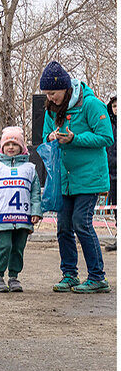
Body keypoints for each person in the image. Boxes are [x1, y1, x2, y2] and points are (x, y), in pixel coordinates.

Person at [40, 61, 113, 294]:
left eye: (53, 93)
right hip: (64, 179)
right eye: (47, 94)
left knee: (81, 223)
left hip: (89, 178)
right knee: (63, 227)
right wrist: (51, 136)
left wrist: (74, 139)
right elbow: (43, 138)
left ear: (66, 88)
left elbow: (106, 138)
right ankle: (69, 274)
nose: (50, 98)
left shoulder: (92, 104)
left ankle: (97, 277)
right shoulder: (51, 109)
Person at [0, 127, 42, 293]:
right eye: (7, 144)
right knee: (5, 246)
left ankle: (14, 277)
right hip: (2, 217)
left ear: (21, 147)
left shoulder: (30, 168)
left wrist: (36, 211)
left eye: (14, 144)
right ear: (2, 147)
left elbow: (35, 193)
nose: (10, 147)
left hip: (23, 217)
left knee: (18, 248)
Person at [106, 96, 117, 252]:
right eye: (114, 106)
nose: (116, 108)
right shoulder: (108, 125)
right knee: (116, 207)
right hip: (112, 174)